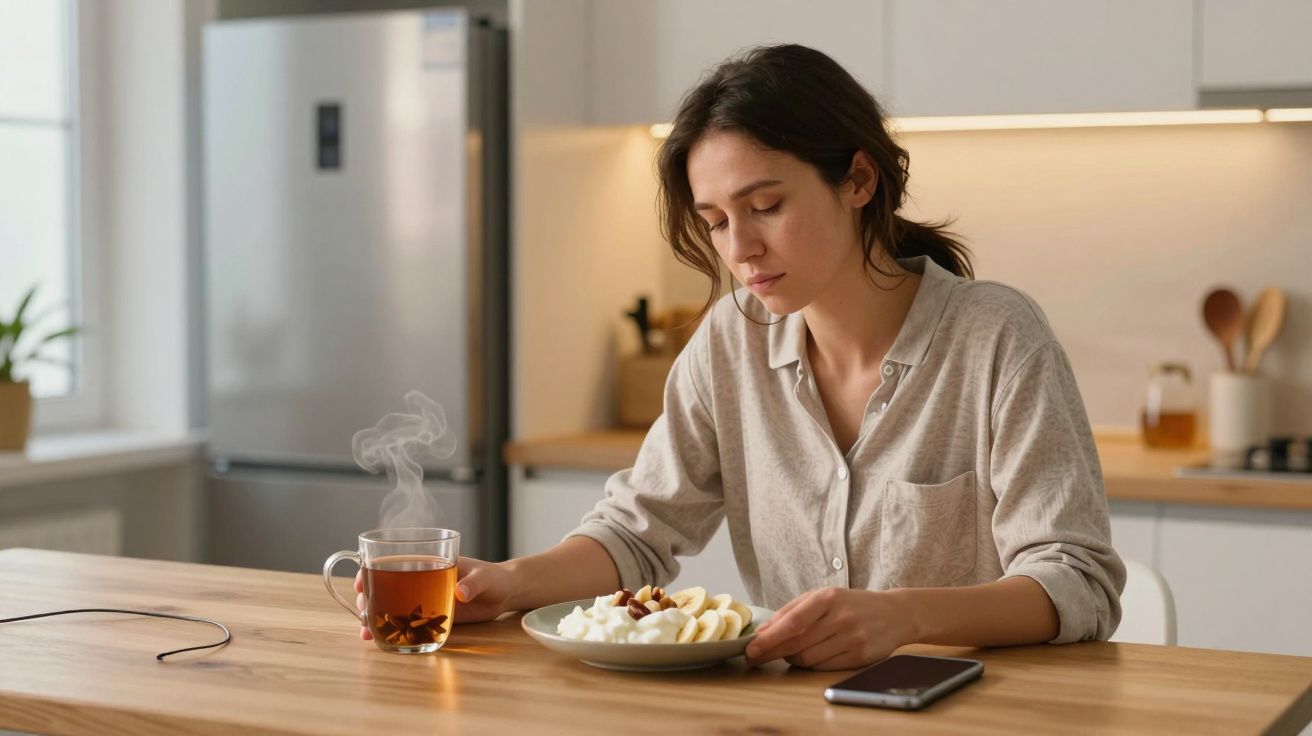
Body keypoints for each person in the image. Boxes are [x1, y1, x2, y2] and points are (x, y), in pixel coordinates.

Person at [356, 43, 1125, 670]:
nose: (741, 249)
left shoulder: (996, 337)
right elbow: (638, 531)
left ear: (859, 180)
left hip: (981, 711)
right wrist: (509, 582)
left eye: (766, 207)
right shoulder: (731, 339)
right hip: (793, 715)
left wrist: (903, 617)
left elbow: (1077, 580)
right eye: (718, 220)